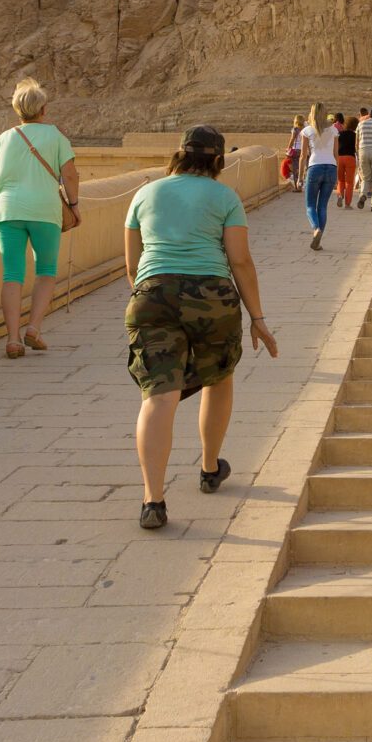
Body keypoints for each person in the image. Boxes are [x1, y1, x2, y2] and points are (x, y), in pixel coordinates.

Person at [124, 127, 278, 531]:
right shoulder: (224, 197)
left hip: (152, 292)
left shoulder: (144, 193)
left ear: (180, 154)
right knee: (218, 377)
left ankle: (152, 499)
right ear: (218, 160)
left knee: (158, 395)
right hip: (212, 295)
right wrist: (258, 319)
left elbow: (132, 264)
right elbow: (240, 261)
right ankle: (210, 468)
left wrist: (153, 300)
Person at [0, 78, 81, 360]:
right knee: (45, 272)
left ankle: (12, 339)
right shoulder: (56, 136)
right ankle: (33, 327)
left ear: (17, 110)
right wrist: (74, 205)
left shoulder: (5, 138)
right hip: (45, 211)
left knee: (12, 275)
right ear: (43, 109)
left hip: (8, 212)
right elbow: (69, 174)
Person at [298, 104, 339, 250]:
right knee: (322, 206)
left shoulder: (307, 130)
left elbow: (303, 156)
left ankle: (316, 229)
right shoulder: (333, 130)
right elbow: (336, 154)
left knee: (310, 205)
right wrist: (337, 175)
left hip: (314, 167)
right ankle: (318, 240)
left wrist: (299, 177)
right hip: (331, 168)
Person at [334, 112, 359, 217]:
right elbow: (357, 147)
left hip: (340, 157)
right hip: (350, 157)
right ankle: (347, 204)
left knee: (341, 180)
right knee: (349, 182)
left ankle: (340, 195)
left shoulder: (340, 134)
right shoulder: (355, 135)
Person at [283, 113, 303, 190]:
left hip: (295, 151)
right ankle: (300, 185)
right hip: (301, 150)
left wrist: (288, 148)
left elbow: (292, 139)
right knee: (300, 168)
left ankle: (297, 187)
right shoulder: (304, 129)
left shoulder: (295, 129)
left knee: (295, 169)